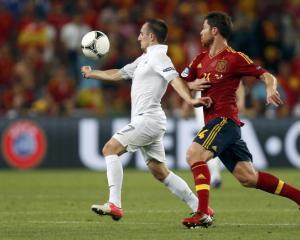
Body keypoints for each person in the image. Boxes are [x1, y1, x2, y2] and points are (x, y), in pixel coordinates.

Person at [81, 19, 213, 221]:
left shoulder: (159, 57)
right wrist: (92, 74)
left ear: (152, 37)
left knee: (110, 149)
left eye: (142, 33)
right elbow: (118, 74)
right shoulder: (144, 59)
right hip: (150, 120)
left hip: (148, 119)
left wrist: (188, 99)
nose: (138, 37)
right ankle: (201, 207)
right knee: (160, 172)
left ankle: (114, 204)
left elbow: (174, 79)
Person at [180, 11, 300, 229]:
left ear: (214, 31)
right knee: (248, 177)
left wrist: (270, 88)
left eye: (204, 28)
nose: (201, 32)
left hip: (225, 120)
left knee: (194, 154)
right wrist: (190, 87)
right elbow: (178, 81)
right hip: (218, 125)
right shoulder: (199, 59)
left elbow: (266, 75)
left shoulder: (234, 58)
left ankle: (202, 213)